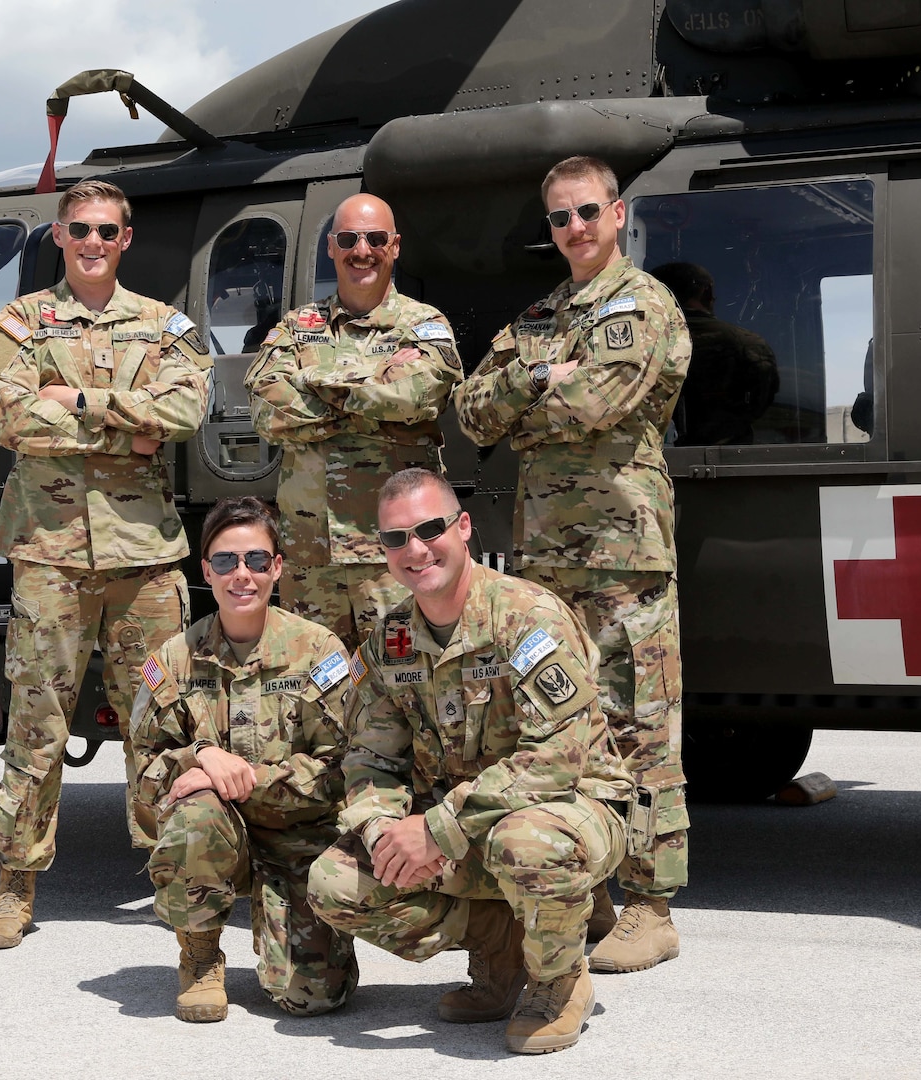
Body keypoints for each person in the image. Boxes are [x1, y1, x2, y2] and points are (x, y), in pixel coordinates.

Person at [454, 156, 692, 974]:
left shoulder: (641, 302)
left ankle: (651, 904)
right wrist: (536, 377)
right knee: (562, 725)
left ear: (617, 213)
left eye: (587, 212)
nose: (575, 229)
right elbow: (474, 410)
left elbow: (599, 404)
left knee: (639, 723)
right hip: (546, 558)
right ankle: (584, 891)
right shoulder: (540, 316)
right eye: (559, 218)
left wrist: (532, 402)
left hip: (622, 554)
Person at [307, 469, 634, 1055]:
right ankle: (502, 947)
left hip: (570, 807)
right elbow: (369, 759)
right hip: (466, 825)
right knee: (335, 882)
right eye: (395, 538)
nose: (415, 549)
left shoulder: (526, 616)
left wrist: (438, 828)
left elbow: (557, 757)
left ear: (462, 528)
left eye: (430, 529)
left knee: (527, 843)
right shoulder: (391, 642)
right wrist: (384, 829)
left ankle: (559, 981)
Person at [0, 179, 211, 949]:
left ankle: (177, 874)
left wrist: (72, 402)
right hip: (49, 554)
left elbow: (184, 413)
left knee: (161, 719)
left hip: (145, 558)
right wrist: (120, 419)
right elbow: (9, 419)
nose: (94, 242)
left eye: (107, 229)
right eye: (80, 229)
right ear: (59, 236)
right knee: (35, 723)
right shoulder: (20, 322)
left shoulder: (164, 325)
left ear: (127, 237)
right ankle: (13, 884)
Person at [131, 496, 357, 1022]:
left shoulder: (317, 652)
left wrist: (253, 778)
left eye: (257, 561)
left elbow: (346, 767)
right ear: (205, 569)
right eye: (227, 561)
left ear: (277, 567)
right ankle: (201, 958)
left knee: (312, 999)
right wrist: (200, 758)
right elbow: (143, 768)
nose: (242, 576)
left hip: (298, 834)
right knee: (196, 813)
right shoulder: (174, 659)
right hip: (216, 831)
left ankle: (288, 933)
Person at [245, 193, 463, 650]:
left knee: (408, 683)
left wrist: (311, 382)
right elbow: (266, 410)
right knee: (315, 687)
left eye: (375, 238)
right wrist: (375, 382)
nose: (361, 250)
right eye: (348, 238)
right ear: (331, 246)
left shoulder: (424, 324)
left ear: (395, 246)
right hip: (311, 559)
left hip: (399, 555)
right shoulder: (297, 327)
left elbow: (418, 396)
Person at [649, 261, 779, 445]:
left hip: (656, 457)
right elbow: (764, 403)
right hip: (732, 458)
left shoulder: (646, 343)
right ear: (707, 293)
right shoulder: (748, 344)